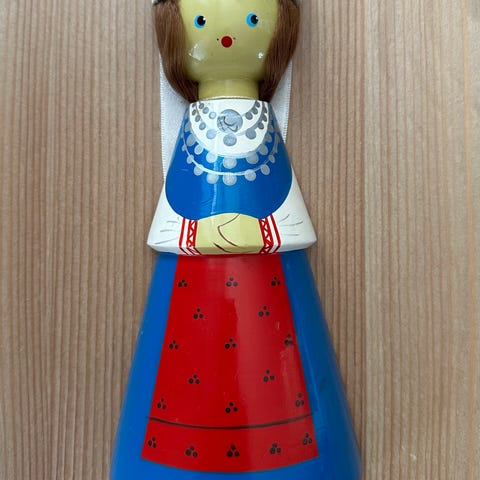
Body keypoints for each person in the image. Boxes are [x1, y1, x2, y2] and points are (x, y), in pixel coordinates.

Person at [111, 1, 361, 478]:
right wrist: (198, 232)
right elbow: (172, 215)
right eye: (202, 21)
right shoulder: (194, 131)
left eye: (252, 20)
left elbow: (286, 210)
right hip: (192, 281)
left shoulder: (262, 131)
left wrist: (261, 231)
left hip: (271, 282)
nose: (226, 36)